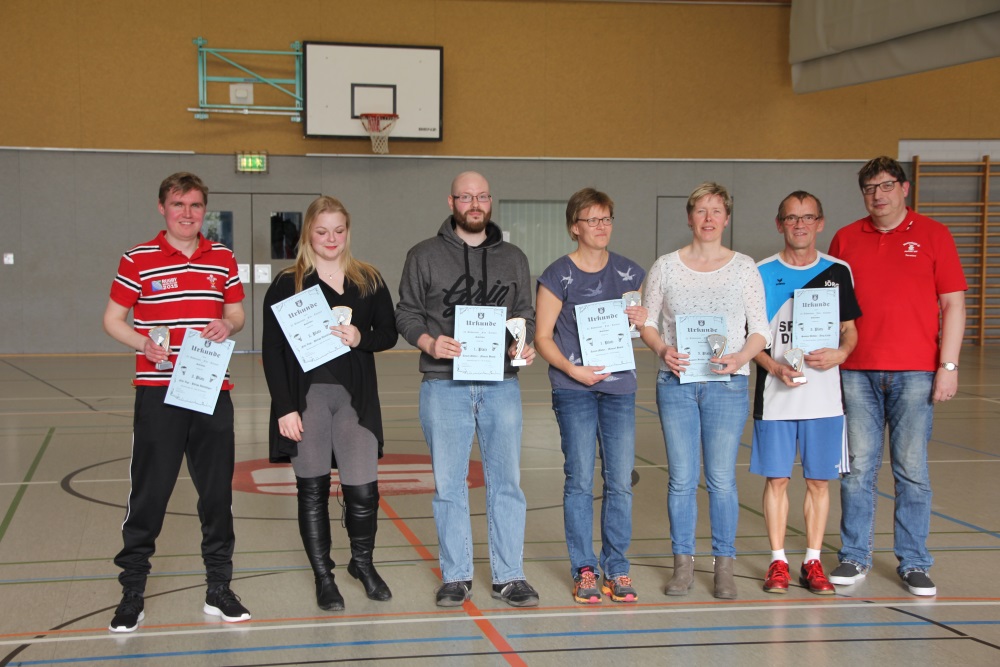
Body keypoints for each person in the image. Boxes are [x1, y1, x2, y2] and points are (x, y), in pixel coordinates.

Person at [102, 172, 249, 632]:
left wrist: (229, 325)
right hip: (158, 392)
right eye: (178, 204)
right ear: (162, 207)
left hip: (211, 390)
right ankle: (132, 592)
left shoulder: (222, 257)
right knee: (149, 494)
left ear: (205, 210)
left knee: (217, 495)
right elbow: (113, 319)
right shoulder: (138, 259)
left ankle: (219, 588)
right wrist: (143, 344)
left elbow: (236, 312)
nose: (187, 213)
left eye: (195, 205)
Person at [395, 171, 540, 608]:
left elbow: (526, 314)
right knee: (449, 485)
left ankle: (509, 577)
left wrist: (523, 342)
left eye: (481, 197)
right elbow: (406, 313)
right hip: (444, 385)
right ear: (451, 201)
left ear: (490, 201)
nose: (474, 204)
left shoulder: (513, 257)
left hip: (502, 384)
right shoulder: (423, 255)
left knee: (507, 483)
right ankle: (456, 576)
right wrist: (428, 342)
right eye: (465, 197)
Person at [827, 156, 967, 596]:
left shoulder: (934, 234)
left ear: (904, 189)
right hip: (856, 372)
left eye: (886, 186)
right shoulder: (846, 238)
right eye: (870, 188)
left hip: (915, 372)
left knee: (912, 471)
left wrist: (948, 366)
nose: (878, 195)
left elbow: (953, 304)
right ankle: (854, 555)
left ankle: (914, 562)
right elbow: (830, 308)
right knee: (857, 470)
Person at [262, 196, 398, 611]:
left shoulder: (368, 279)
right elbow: (272, 352)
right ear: (308, 232)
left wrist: (361, 337)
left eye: (339, 230)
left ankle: (363, 564)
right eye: (322, 231)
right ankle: (324, 575)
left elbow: (389, 334)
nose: (331, 238)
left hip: (356, 400)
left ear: (348, 231)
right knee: (313, 490)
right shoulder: (288, 283)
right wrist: (285, 408)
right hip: (307, 402)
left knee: (363, 490)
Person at [641, 182, 770, 600]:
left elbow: (761, 329)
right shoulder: (665, 266)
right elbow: (647, 322)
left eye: (716, 211)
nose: (709, 218)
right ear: (689, 217)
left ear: (726, 218)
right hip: (676, 383)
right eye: (701, 210)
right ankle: (682, 566)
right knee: (681, 480)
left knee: (721, 480)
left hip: (727, 384)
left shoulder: (744, 267)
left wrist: (740, 357)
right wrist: (662, 349)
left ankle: (723, 567)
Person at [534, 187, 647, 604]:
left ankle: (616, 567)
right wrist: (572, 369)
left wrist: (643, 319)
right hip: (574, 390)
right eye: (592, 220)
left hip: (619, 389)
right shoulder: (556, 275)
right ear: (574, 227)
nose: (601, 227)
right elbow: (542, 337)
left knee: (619, 482)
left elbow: (639, 330)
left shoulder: (631, 273)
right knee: (580, 480)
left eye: (606, 219)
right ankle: (584, 569)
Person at [751, 191, 861, 595]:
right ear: (779, 224)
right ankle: (778, 561)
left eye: (808, 217)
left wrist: (842, 353)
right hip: (775, 397)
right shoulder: (760, 273)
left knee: (819, 482)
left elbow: (850, 330)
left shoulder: (838, 271)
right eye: (792, 218)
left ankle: (812, 561)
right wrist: (774, 367)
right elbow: (751, 340)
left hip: (824, 399)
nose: (800, 225)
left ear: (820, 223)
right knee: (777, 480)